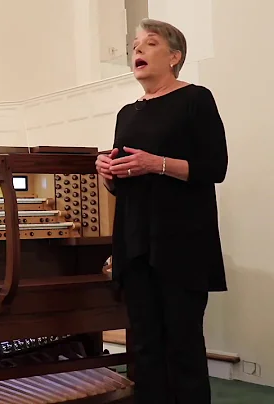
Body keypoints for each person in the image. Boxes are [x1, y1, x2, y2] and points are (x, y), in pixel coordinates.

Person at [95, 19, 228, 404]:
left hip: (181, 241)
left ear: (174, 57)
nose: (137, 51)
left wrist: (158, 164)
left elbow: (214, 168)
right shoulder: (127, 113)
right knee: (146, 347)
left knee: (183, 344)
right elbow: (124, 183)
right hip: (135, 241)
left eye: (149, 44)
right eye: (135, 45)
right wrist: (107, 173)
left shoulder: (195, 99)